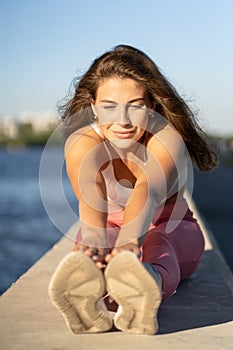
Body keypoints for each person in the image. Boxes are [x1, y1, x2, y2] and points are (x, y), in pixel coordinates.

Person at [48, 44, 218, 335]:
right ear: (93, 105)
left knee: (157, 246)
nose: (123, 121)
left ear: (152, 106)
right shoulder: (82, 143)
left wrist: (129, 245)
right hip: (113, 225)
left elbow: (148, 189)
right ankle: (87, 303)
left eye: (136, 105)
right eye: (109, 106)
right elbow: (90, 197)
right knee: (90, 249)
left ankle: (147, 284)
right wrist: (94, 245)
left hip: (171, 228)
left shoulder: (166, 137)